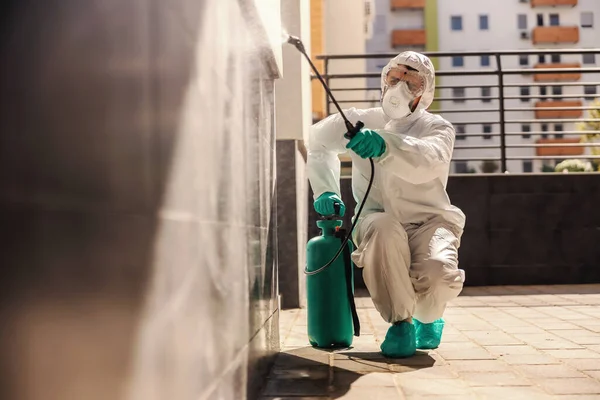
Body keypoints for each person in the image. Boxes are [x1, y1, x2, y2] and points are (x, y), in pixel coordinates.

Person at [306, 51, 466, 358]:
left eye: (412, 82)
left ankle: (429, 316)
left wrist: (385, 144)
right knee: (383, 229)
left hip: (430, 220)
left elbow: (428, 160)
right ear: (384, 81)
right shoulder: (359, 121)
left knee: (439, 275)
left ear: (426, 90)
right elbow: (318, 142)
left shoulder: (438, 128)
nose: (400, 87)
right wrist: (325, 190)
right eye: (395, 78)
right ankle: (401, 323)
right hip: (375, 217)